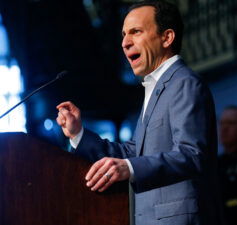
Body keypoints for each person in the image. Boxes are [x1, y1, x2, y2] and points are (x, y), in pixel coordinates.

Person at [55, 1, 222, 225]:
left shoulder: (184, 83)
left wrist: (129, 168)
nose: (125, 42)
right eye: (124, 34)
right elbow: (133, 152)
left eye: (136, 32)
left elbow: (191, 154)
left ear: (167, 37)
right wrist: (78, 134)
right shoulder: (155, 88)